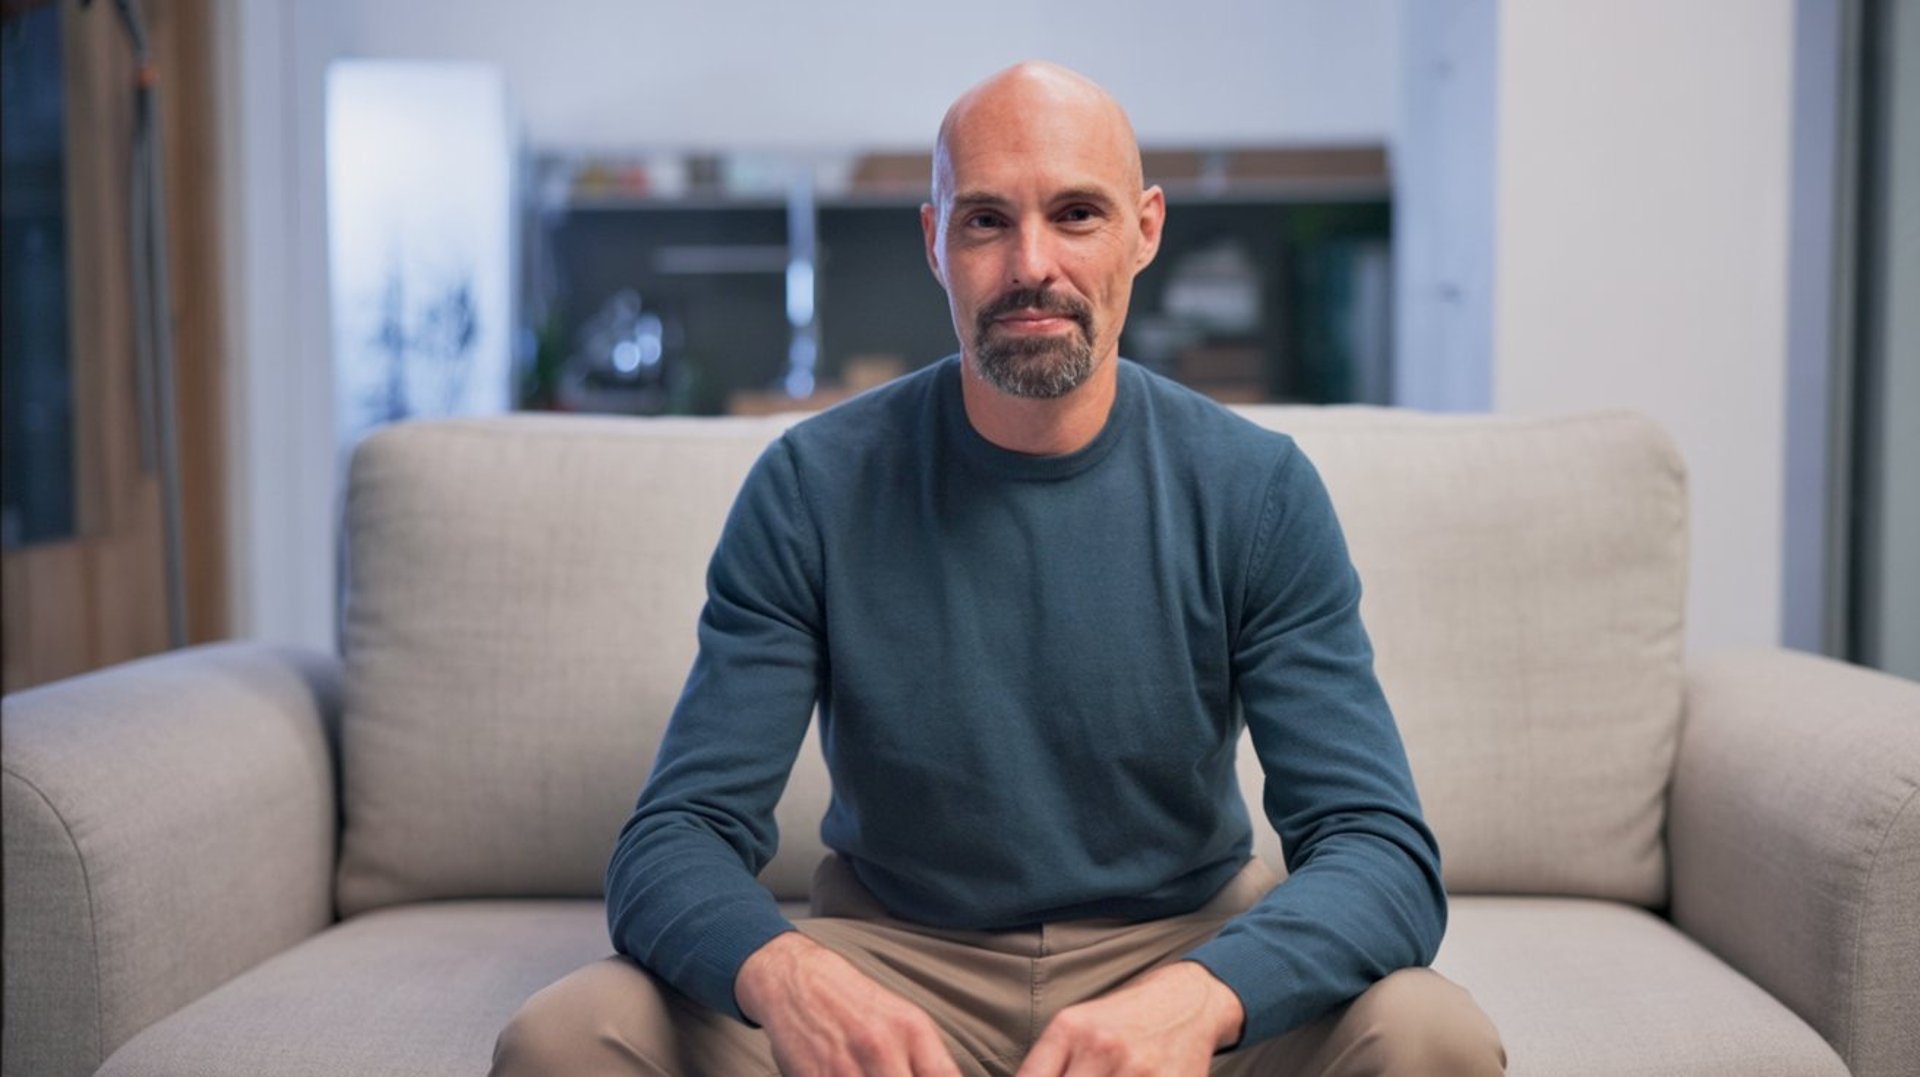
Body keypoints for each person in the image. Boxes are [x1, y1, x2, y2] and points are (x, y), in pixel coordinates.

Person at [492, 61, 1506, 1077]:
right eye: (986, 220)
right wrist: (788, 974)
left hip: (1181, 949)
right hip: (896, 962)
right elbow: (675, 835)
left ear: (1144, 229)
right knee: (567, 1038)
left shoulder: (1257, 490)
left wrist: (1202, 999)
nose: (1032, 264)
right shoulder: (811, 488)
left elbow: (1380, 849)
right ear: (935, 241)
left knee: (1431, 1038)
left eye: (1076, 214)